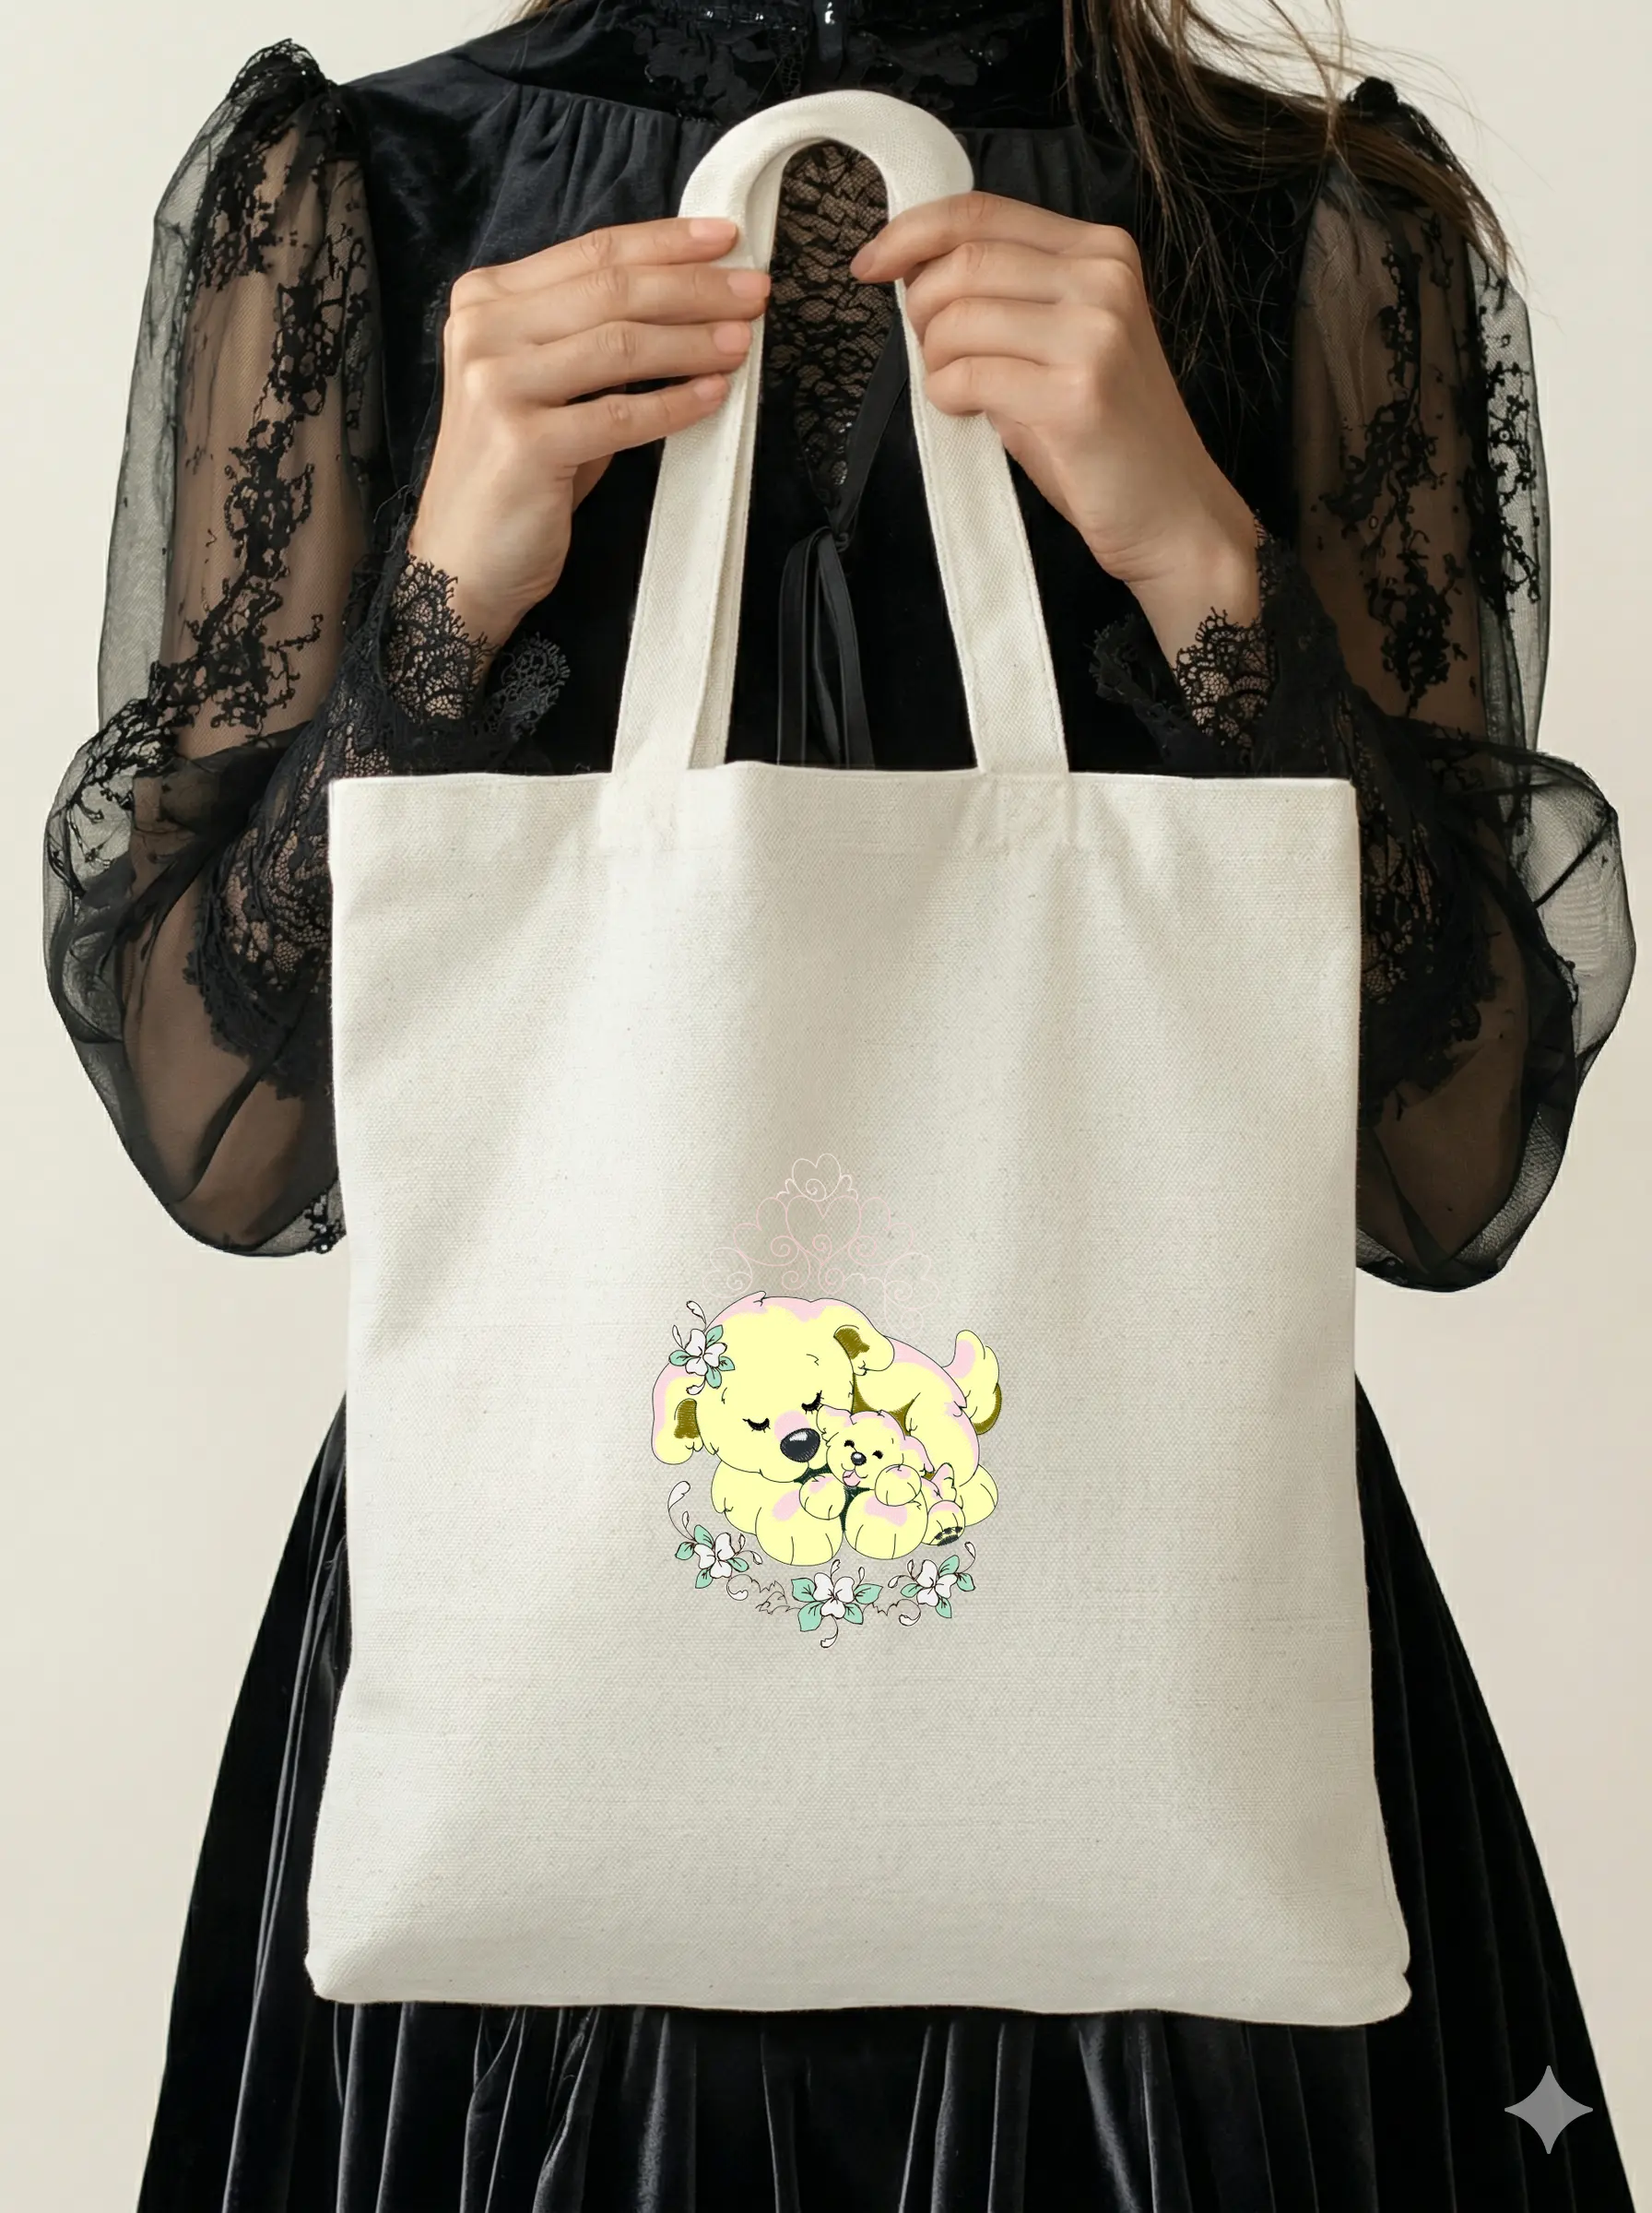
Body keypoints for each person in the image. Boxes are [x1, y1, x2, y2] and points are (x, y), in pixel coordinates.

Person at [42, 0, 1637, 2204]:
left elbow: (1434, 1171)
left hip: (1152, 1642)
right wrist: (442, 601)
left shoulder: (1315, 226)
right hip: (549, 1629)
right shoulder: (368, 202)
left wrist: (1202, 569)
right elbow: (229, 1138)